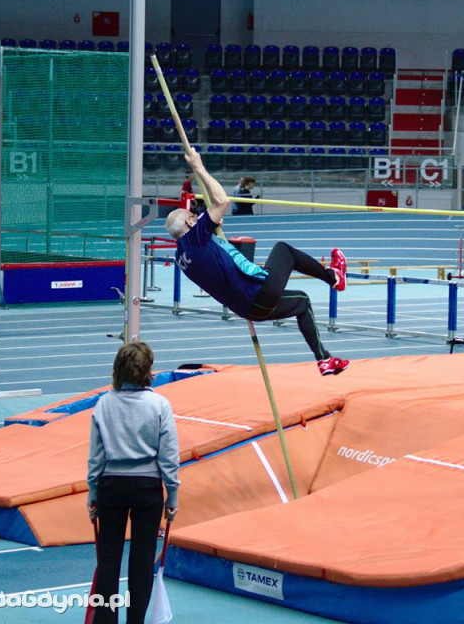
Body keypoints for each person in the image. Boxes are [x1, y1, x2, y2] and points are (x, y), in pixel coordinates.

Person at [165, 147, 349, 376]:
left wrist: (210, 226)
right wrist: (198, 167)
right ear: (190, 224)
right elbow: (222, 201)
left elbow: (210, 247)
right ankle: (334, 277)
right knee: (284, 251)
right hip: (259, 293)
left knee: (302, 302)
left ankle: (324, 360)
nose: (195, 218)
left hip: (251, 309)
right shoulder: (195, 238)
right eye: (193, 217)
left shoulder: (182, 255)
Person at [87, 341, 180, 624]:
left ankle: (105, 620)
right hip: (147, 488)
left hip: (111, 486)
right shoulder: (159, 404)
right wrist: (172, 495)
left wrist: (92, 492)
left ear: (117, 371)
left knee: (109, 560)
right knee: (141, 560)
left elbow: (96, 455)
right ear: (148, 371)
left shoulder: (104, 403)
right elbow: (169, 455)